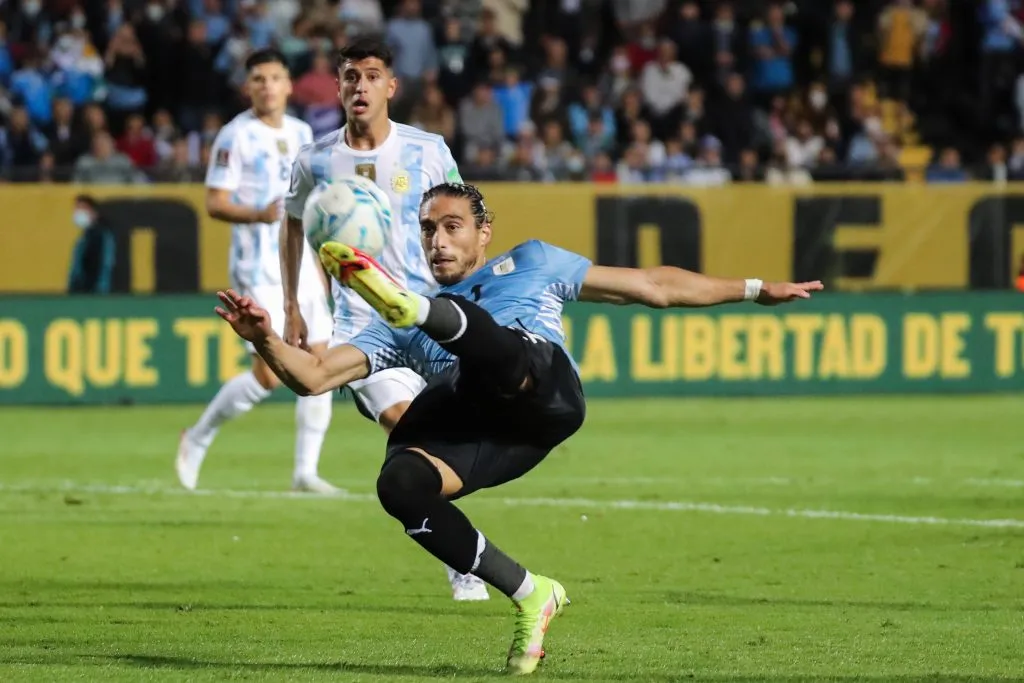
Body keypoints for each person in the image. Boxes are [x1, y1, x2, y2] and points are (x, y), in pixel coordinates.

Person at [215, 182, 824, 674]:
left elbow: (653, 286)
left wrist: (752, 288)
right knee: (399, 482)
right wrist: (264, 337)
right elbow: (316, 376)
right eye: (428, 228)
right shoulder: (398, 324)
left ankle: (443, 321)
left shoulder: (532, 263)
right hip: (489, 429)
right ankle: (532, 593)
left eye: (452, 226)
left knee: (494, 350)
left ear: (484, 233)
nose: (438, 239)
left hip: (544, 391)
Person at [279, 36, 489, 601]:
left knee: (446, 442)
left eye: (372, 76)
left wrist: (475, 289)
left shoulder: (426, 150)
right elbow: (293, 223)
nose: (360, 86)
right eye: (350, 76)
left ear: (390, 86)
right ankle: (462, 559)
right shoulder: (316, 159)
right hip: (362, 324)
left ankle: (452, 540)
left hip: (431, 316)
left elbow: (461, 213)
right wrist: (295, 304)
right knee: (403, 420)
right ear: (340, 86)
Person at [175, 48, 338, 494]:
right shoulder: (235, 136)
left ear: (288, 85)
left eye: (274, 78)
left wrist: (322, 267)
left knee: (321, 364)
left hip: (300, 263)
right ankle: (198, 435)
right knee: (269, 374)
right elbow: (214, 202)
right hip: (257, 265)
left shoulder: (304, 132)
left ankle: (305, 471)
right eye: (259, 79)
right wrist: (258, 214)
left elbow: (312, 206)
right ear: (248, 87)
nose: (267, 86)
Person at [67, 195, 116, 294]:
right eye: (77, 208)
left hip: (94, 292)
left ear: (94, 212)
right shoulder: (84, 236)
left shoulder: (102, 235)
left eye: (83, 208)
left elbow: (106, 263)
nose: (79, 212)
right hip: (80, 290)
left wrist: (101, 289)